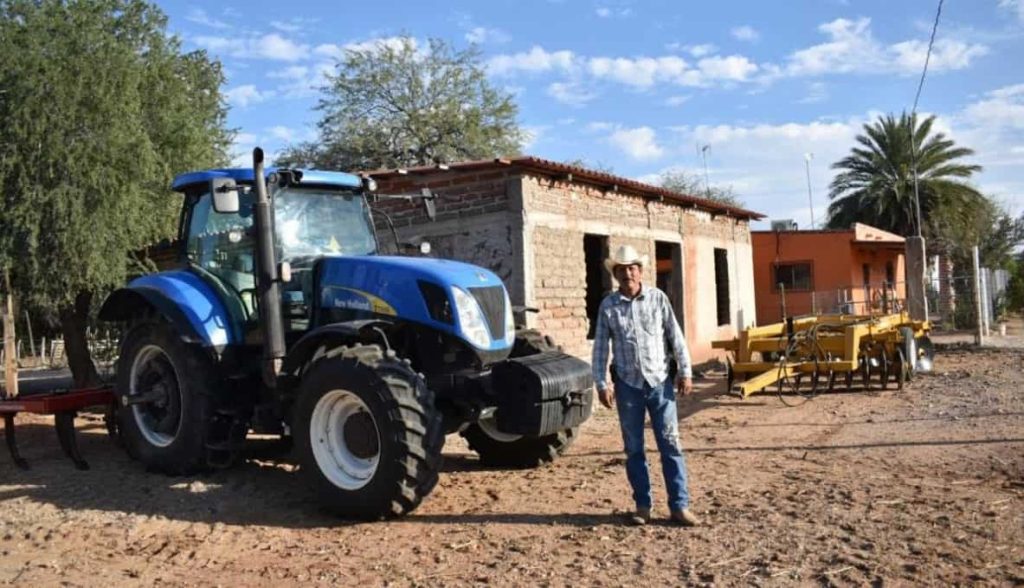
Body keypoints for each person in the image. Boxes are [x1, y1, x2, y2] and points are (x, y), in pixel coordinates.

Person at [591, 244, 699, 527]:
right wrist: (602, 383)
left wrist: (685, 371)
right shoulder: (608, 306)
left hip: (660, 382)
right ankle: (643, 506)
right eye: (621, 270)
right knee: (634, 449)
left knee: (671, 445)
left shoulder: (657, 299)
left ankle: (679, 506)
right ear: (615, 274)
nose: (627, 274)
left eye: (632, 268)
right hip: (627, 386)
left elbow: (675, 336)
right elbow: (601, 347)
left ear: (640, 271)